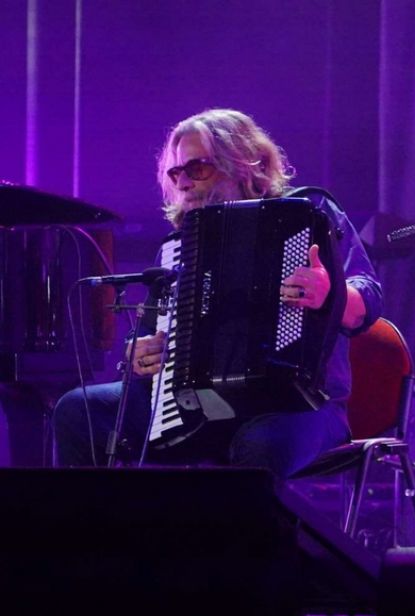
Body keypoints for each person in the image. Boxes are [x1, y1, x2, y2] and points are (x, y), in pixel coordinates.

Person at [54, 108, 382, 478]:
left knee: (259, 445)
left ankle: (239, 538)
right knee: (77, 410)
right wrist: (140, 351)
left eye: (197, 169)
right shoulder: (180, 247)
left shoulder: (311, 213)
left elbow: (367, 300)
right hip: (192, 409)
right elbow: (145, 331)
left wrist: (329, 293)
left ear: (242, 164)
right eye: (176, 173)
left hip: (299, 406)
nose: (184, 184)